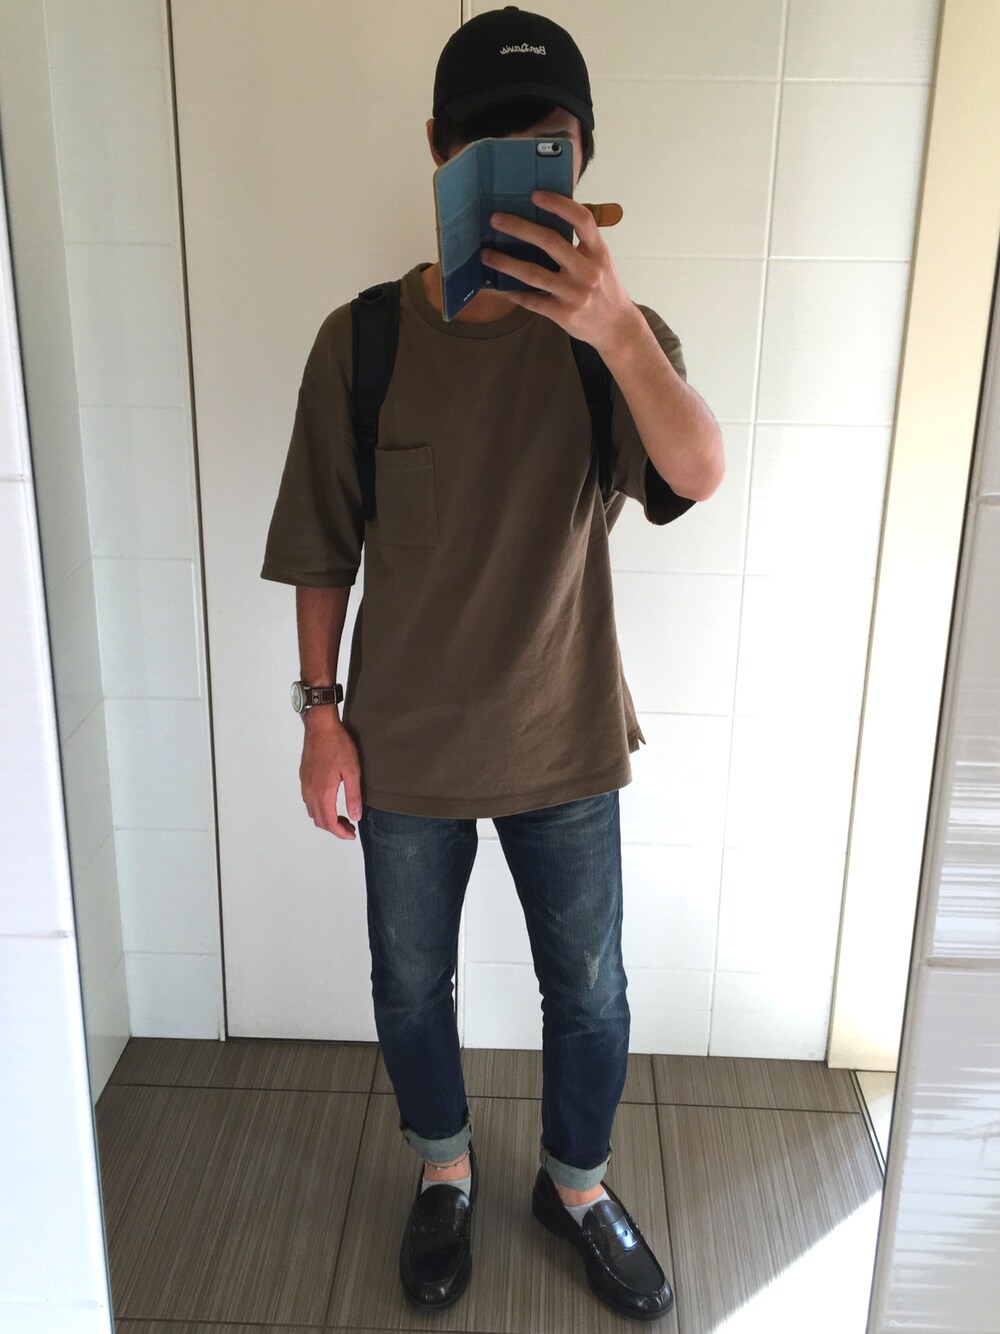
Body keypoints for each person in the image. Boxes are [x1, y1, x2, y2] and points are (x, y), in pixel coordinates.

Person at [261, 4, 724, 1320]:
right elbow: (320, 547)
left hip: (563, 737)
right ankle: (446, 1171)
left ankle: (575, 1185)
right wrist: (320, 717)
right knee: (411, 986)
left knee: (592, 992)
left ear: (584, 161)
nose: (523, 172)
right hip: (402, 746)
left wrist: (615, 326)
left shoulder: (612, 346)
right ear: (437, 150)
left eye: (549, 148)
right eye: (488, 147)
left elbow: (698, 471)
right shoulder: (362, 342)